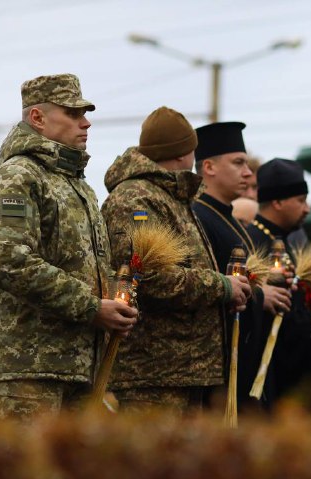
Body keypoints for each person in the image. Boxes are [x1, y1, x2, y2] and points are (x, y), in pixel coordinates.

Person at [0, 73, 138, 420]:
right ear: (37, 118)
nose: (86, 122)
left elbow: (83, 263)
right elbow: (11, 262)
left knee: (77, 474)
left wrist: (115, 297)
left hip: (83, 365)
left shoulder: (79, 187)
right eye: (73, 114)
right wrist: (92, 306)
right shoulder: (15, 178)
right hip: (33, 368)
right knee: (26, 471)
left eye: (85, 113)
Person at [101, 107, 250, 414]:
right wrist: (222, 286)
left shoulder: (172, 196)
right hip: (153, 371)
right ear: (185, 152)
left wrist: (227, 293)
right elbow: (147, 279)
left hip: (183, 369)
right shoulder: (136, 199)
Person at [191, 122, 290, 413]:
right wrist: (261, 296)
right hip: (218, 369)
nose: (248, 173)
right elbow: (209, 286)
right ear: (208, 167)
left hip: (243, 361)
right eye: (238, 163)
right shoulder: (199, 217)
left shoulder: (228, 218)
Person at [247, 158, 311, 415]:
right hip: (273, 383)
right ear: (278, 202)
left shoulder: (280, 240)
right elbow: (263, 312)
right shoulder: (255, 243)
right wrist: (306, 320)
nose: (307, 209)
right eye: (300, 200)